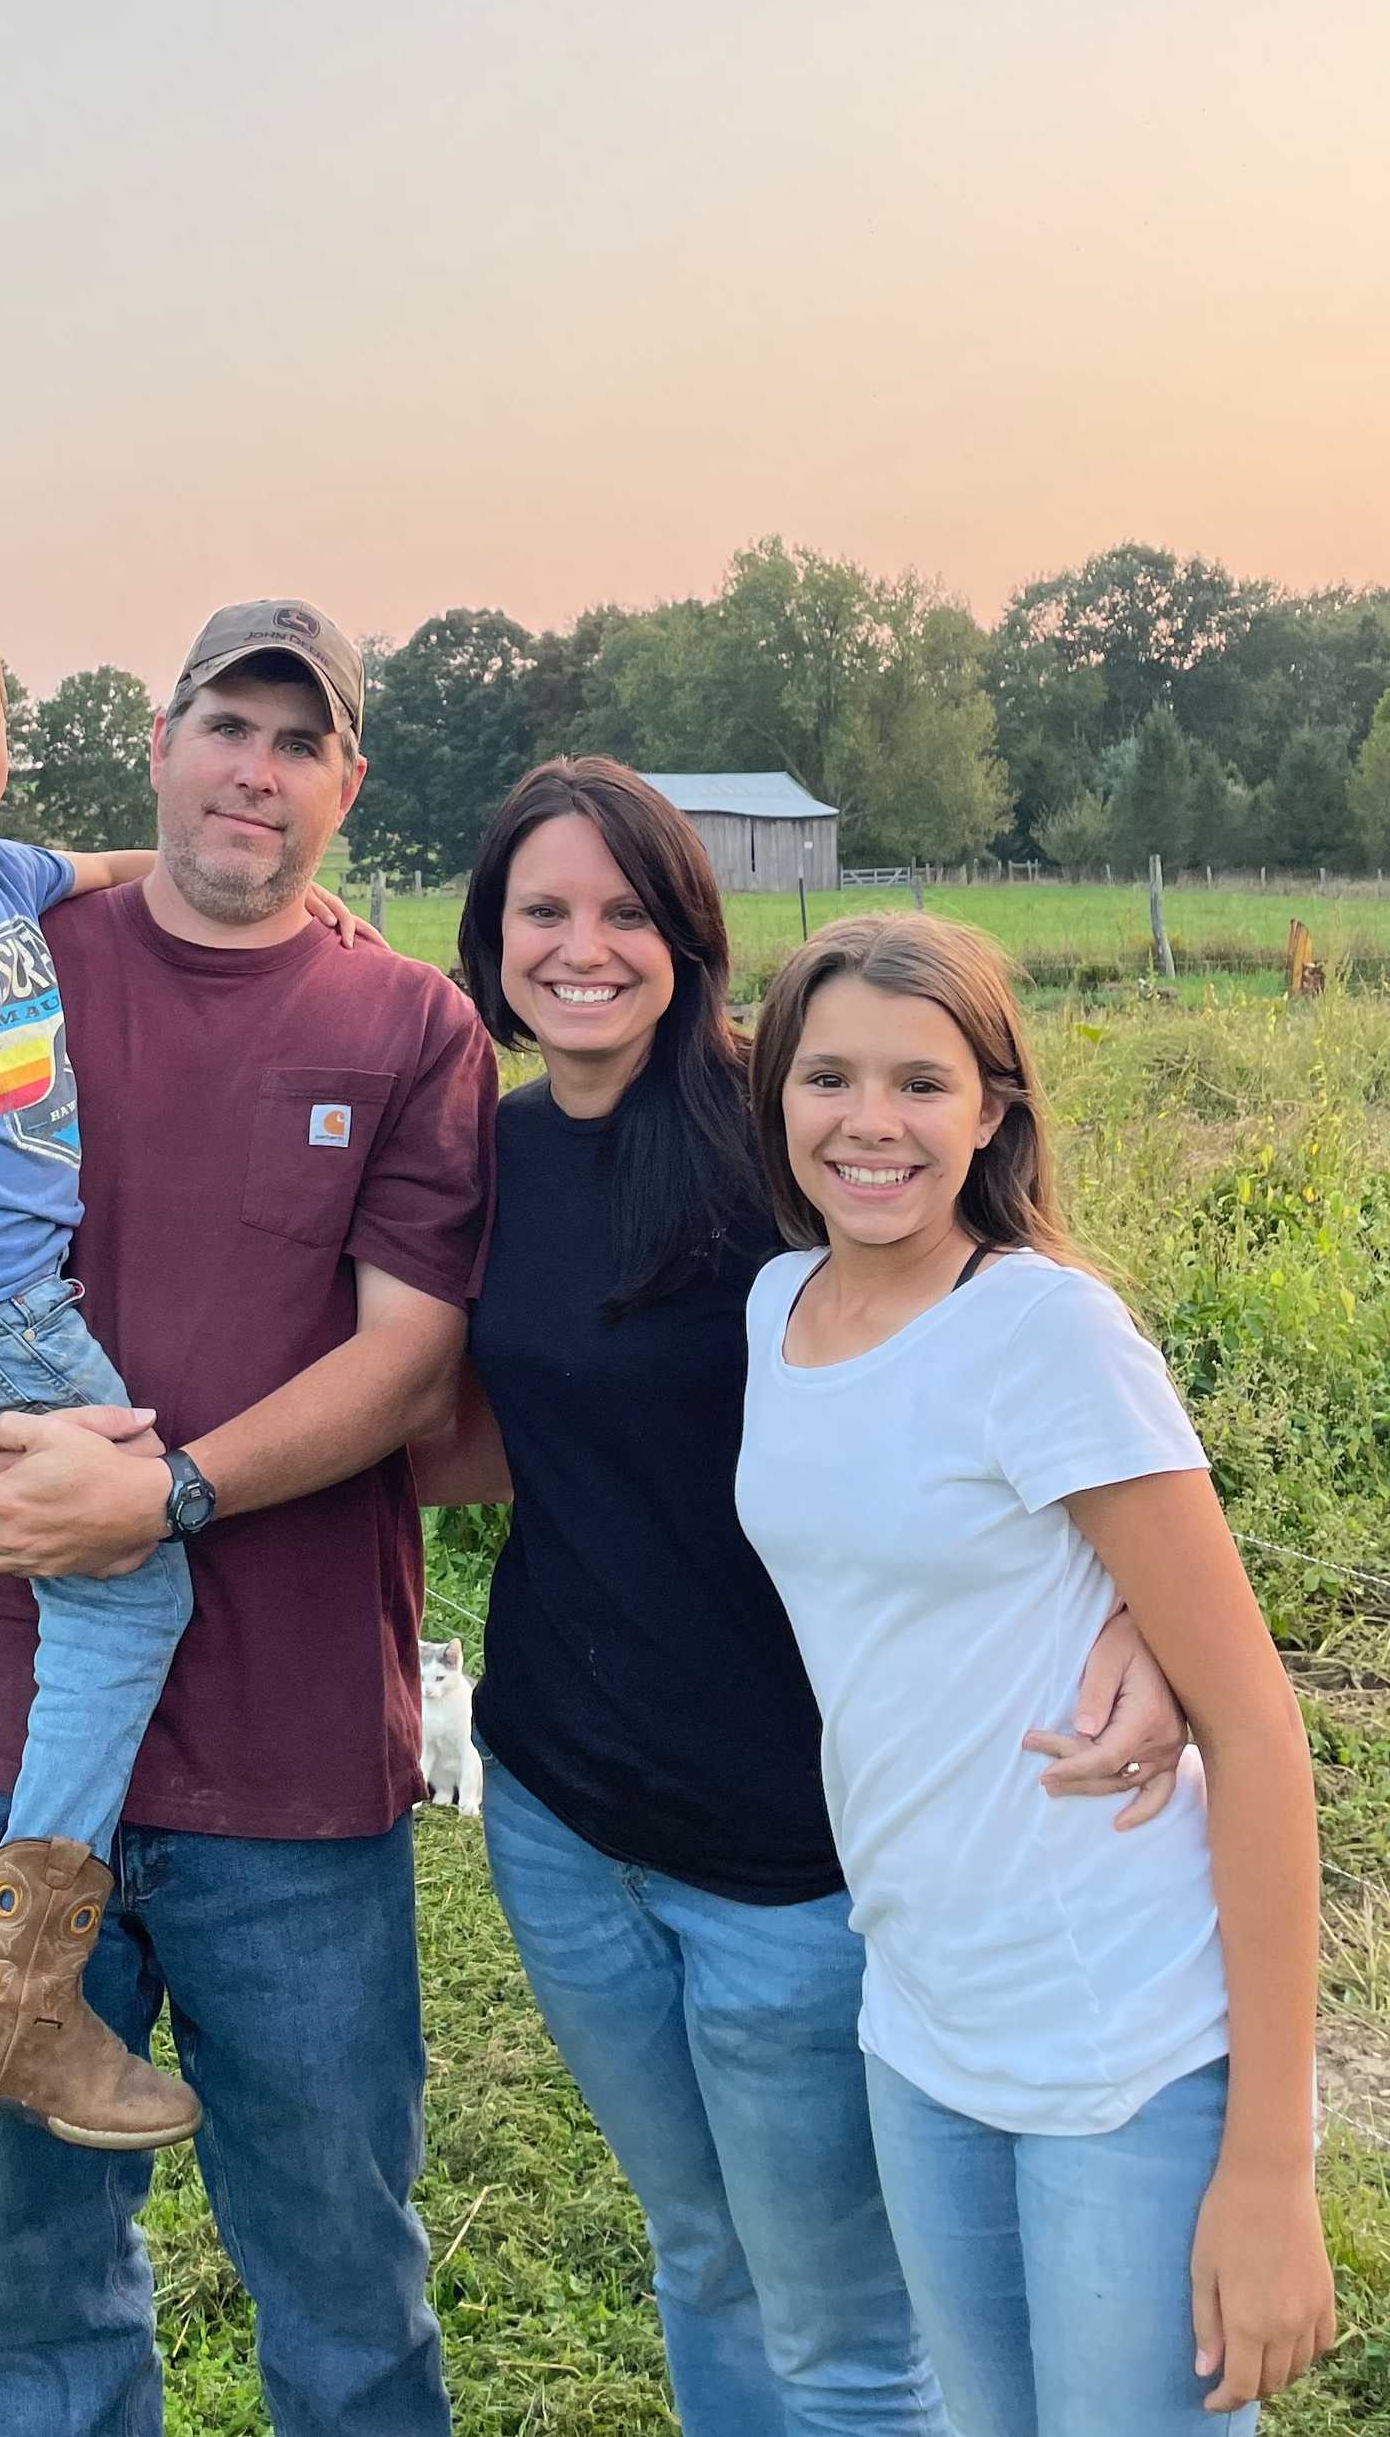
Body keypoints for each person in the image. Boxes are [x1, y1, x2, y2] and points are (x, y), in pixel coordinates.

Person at [0, 598, 494, 2436]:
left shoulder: (410, 1023)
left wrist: (158, 1496)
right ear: (154, 743)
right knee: (36, 2300)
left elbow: (412, 1364)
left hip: (295, 1753)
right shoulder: (9, 947)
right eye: (224, 727)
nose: (255, 770)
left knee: (343, 2279)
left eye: (298, 742)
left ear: (346, 784)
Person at [414, 757, 1191, 2435]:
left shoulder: (792, 1120)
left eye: (628, 909)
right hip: (555, 1807)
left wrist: (1162, 1618)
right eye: (542, 910)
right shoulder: (493, 1148)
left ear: (690, 931)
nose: (583, 947)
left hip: (787, 1855)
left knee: (838, 2330)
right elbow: (500, 1416)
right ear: (488, 939)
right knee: (697, 2252)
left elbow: (1054, 1342)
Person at [736, 912, 1335, 2433]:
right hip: (920, 2012)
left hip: (1120, 2033)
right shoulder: (776, 1308)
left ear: (994, 1108)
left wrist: (1272, 2166)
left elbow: (1259, 1727)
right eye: (829, 1078)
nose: (871, 1122)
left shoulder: (1044, 1328)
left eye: (922, 1083)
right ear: (777, 1097)